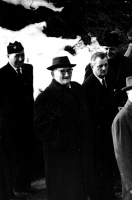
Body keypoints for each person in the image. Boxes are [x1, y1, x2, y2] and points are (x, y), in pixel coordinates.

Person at [34, 56, 94, 200]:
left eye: (69, 71)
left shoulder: (77, 88)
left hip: (80, 152)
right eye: (62, 71)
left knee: (80, 190)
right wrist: (65, 143)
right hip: (60, 157)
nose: (66, 74)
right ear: (52, 74)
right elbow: (41, 128)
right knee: (64, 191)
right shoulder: (45, 98)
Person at [0, 41, 35, 199]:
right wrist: (5, 116)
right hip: (11, 126)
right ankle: (14, 189)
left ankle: (25, 186)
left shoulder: (28, 69)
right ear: (8, 56)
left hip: (27, 122)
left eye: (22, 55)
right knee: (13, 158)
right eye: (16, 56)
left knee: (27, 155)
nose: (20, 59)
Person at [83, 52, 120, 200]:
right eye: (100, 66)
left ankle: (110, 194)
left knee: (109, 165)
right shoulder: (87, 86)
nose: (104, 68)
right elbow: (89, 115)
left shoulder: (109, 79)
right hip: (98, 136)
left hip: (110, 132)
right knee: (99, 168)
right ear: (92, 66)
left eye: (106, 65)